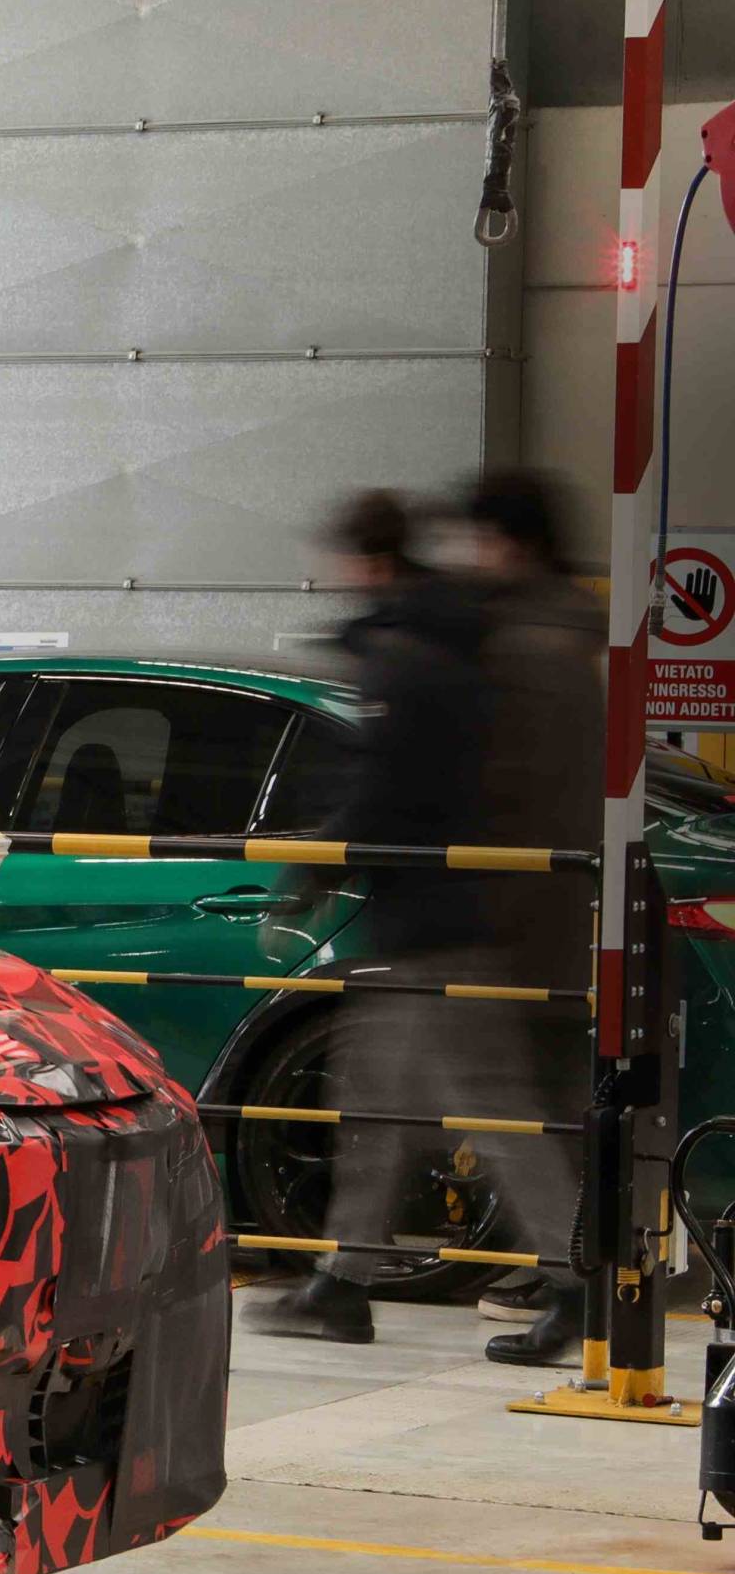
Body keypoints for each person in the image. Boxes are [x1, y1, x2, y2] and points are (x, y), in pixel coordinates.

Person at [252, 488, 509, 1346]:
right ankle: (345, 1280)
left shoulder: (403, 660)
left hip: (423, 923)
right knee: (427, 1103)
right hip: (450, 913)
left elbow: (378, 791)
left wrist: (308, 878)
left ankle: (567, 1272)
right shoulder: (446, 644)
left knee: (432, 1106)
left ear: (366, 561)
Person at [453, 468, 605, 1365]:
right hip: (556, 915)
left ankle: (573, 1285)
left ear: (510, 541)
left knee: (511, 1107)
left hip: (513, 918)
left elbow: (507, 792)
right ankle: (576, 1278)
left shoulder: (525, 648)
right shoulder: (569, 636)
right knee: (548, 1111)